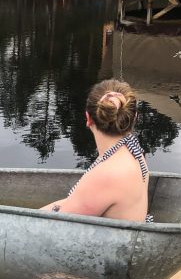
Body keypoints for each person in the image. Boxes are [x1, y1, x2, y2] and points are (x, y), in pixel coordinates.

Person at [41, 79, 151, 222]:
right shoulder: (134, 152)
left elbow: (57, 227)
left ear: (88, 118)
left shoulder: (108, 174)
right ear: (134, 118)